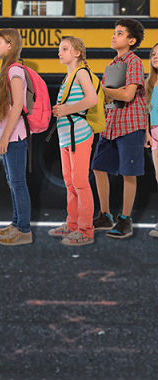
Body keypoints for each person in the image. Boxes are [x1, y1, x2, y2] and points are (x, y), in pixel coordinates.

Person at [92, 18, 149, 239]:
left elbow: (127, 95)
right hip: (112, 124)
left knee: (128, 172)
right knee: (98, 167)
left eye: (120, 33)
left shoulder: (133, 62)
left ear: (131, 40)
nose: (114, 36)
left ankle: (125, 219)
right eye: (114, 32)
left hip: (130, 125)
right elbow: (112, 100)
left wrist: (105, 89)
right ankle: (105, 214)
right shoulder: (114, 65)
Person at [50, 36, 98, 246]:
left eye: (65, 49)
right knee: (70, 183)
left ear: (77, 53)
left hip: (79, 134)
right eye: (60, 49)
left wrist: (65, 109)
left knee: (80, 182)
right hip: (66, 136)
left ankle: (85, 230)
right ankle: (72, 224)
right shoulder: (67, 78)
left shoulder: (80, 73)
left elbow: (91, 100)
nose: (60, 53)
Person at [0, 29, 32, 246]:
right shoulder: (7, 69)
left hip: (16, 137)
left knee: (17, 182)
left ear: (9, 44)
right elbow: (4, 111)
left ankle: (24, 229)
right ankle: (16, 223)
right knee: (12, 182)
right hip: (9, 135)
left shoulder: (15, 71)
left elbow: (16, 108)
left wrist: (5, 138)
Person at [145, 43, 158, 238]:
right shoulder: (150, 82)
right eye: (153, 54)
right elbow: (147, 111)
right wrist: (147, 132)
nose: (156, 57)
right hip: (155, 133)